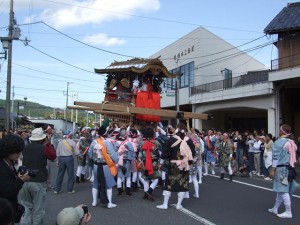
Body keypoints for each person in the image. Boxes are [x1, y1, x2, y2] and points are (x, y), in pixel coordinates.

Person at [19, 127, 56, 225]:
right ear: (42, 139)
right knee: (38, 210)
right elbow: (53, 156)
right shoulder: (43, 148)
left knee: (26, 208)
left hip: (24, 180)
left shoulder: (25, 148)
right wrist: (48, 143)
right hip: (38, 181)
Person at [156, 123, 195, 210]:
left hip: (173, 165)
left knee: (169, 183)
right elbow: (193, 153)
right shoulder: (188, 140)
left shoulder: (171, 139)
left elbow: (165, 152)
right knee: (182, 184)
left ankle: (165, 204)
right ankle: (178, 205)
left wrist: (161, 163)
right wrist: (190, 162)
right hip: (184, 165)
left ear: (177, 129)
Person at [268, 124, 299, 218]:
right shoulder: (292, 142)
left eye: (280, 129)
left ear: (282, 132)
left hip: (281, 169)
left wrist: (272, 170)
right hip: (289, 168)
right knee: (281, 190)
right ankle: (275, 208)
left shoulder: (278, 142)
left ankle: (288, 212)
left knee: (283, 190)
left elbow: (276, 158)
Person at [0, 134, 30, 223]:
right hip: (4, 210)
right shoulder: (2, 166)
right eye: (17, 152)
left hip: (9, 207)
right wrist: (21, 180)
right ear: (9, 150)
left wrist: (17, 176)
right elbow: (8, 191)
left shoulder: (8, 160)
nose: (19, 154)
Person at [54, 130, 80, 194]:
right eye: (71, 134)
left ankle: (57, 189)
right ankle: (70, 189)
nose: (72, 135)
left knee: (60, 174)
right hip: (69, 158)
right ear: (69, 135)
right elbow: (77, 153)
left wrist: (57, 160)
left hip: (61, 158)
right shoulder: (72, 142)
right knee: (70, 174)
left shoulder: (60, 142)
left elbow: (57, 152)